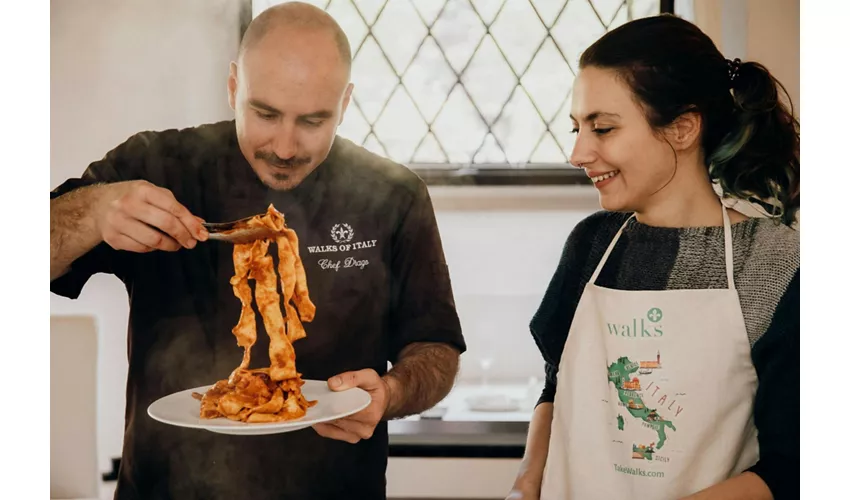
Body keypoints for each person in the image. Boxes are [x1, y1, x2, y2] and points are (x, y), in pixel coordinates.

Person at [49, 3, 465, 499]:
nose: (285, 146)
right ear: (233, 87)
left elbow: (435, 347)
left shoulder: (395, 194)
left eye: (313, 120)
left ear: (346, 102)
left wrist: (392, 393)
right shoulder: (156, 166)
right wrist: (93, 212)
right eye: (265, 114)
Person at [507, 14, 799, 500]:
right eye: (577, 127)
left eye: (602, 128)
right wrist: (524, 485)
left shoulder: (773, 263)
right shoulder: (592, 245)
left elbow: (794, 468)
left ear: (682, 128)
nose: (577, 152)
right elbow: (557, 388)